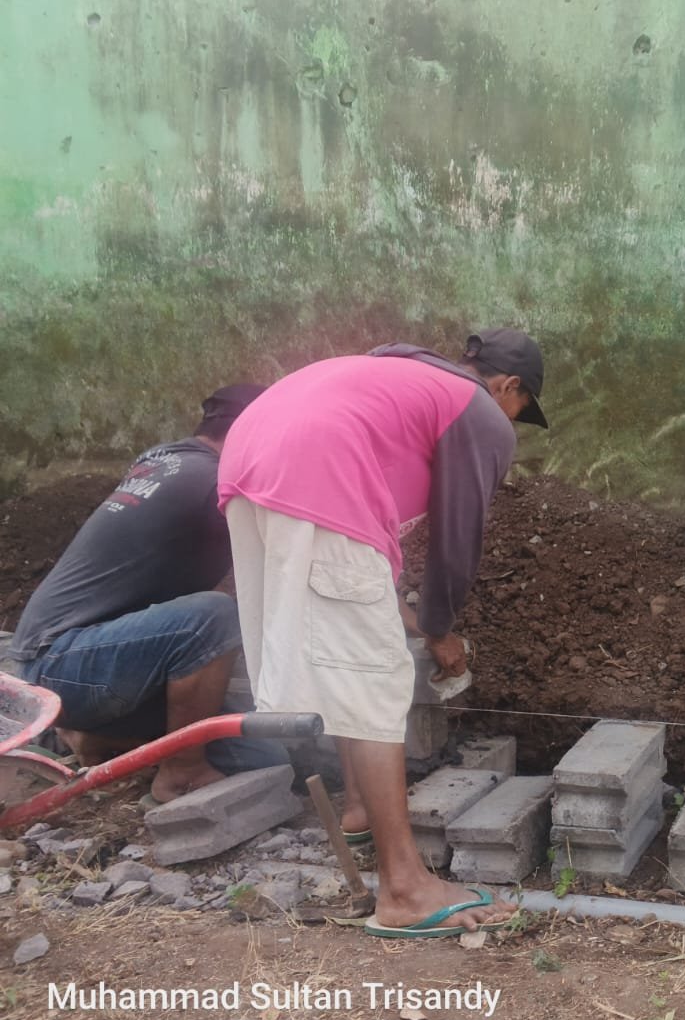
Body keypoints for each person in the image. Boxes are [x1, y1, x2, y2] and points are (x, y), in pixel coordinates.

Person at [218, 329, 547, 938]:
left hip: (250, 462)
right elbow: (459, 536)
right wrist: (442, 629)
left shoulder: (399, 379)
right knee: (376, 675)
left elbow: (371, 544)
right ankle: (405, 888)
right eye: (521, 413)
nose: (513, 428)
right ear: (510, 387)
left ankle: (359, 809)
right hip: (315, 470)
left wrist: (410, 615)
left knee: (342, 658)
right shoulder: (479, 411)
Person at [5, 385, 282, 802]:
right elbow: (283, 562)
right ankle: (183, 772)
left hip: (65, 665)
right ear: (252, 432)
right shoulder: (214, 480)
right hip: (64, 660)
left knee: (265, 754)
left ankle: (93, 734)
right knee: (213, 617)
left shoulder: (166, 463)